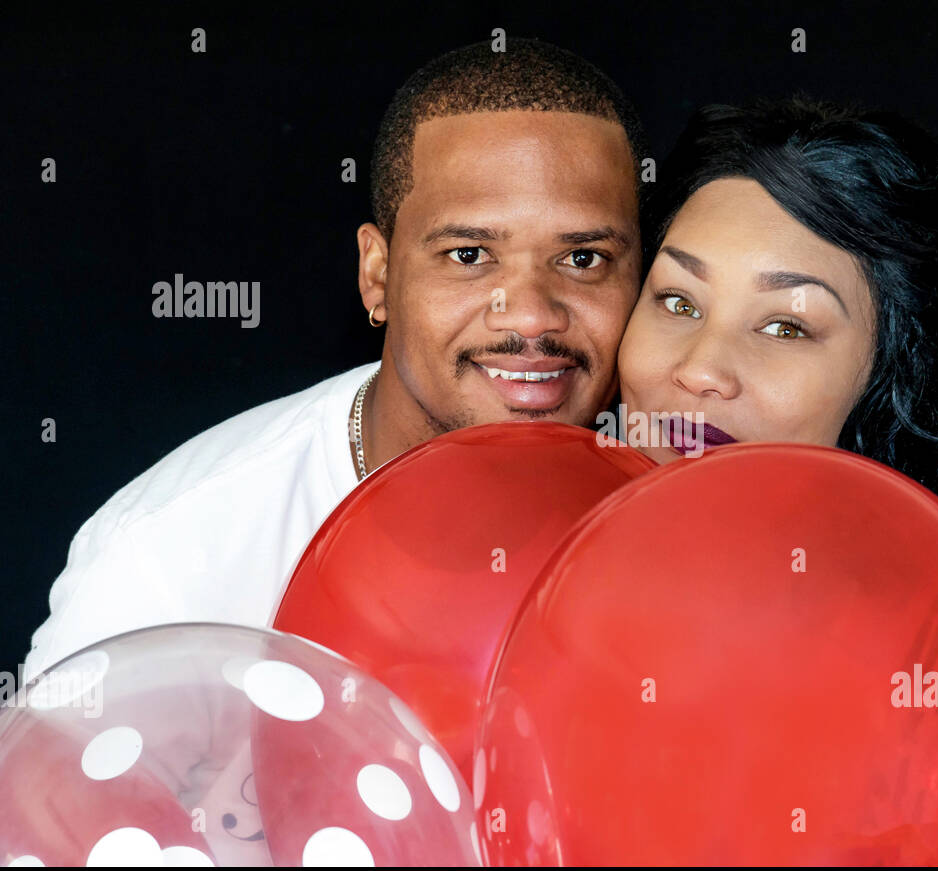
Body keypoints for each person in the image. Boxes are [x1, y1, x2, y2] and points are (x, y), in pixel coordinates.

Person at [25, 38, 646, 678]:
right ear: (377, 274)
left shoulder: (668, 511)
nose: (531, 315)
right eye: (468, 255)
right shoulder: (172, 562)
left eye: (583, 258)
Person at [615, 99, 938, 544]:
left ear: (898, 378)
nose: (700, 371)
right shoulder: (554, 549)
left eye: (785, 327)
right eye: (679, 303)